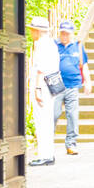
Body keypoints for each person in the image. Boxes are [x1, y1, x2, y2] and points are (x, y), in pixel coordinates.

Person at [54, 19, 92, 156]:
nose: (64, 36)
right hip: (56, 86)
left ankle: (71, 143)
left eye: (67, 34)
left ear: (72, 34)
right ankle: (48, 142)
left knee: (72, 115)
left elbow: (84, 65)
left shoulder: (78, 46)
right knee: (54, 113)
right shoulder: (54, 45)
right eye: (62, 33)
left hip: (73, 85)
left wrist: (88, 81)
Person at [28, 16, 61, 167]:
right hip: (49, 86)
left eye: (32, 30)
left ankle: (44, 155)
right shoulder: (51, 43)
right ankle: (48, 154)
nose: (30, 32)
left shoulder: (41, 44)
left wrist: (37, 88)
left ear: (37, 31)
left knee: (42, 121)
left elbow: (40, 69)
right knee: (46, 120)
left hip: (43, 85)